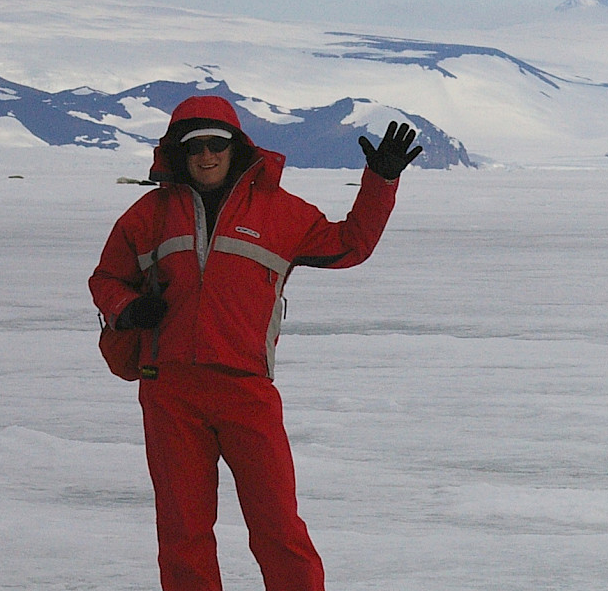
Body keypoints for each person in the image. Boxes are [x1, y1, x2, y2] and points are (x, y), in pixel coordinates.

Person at [89, 95, 422, 591]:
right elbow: (105, 280)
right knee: (183, 531)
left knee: (277, 526)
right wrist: (127, 308)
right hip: (170, 391)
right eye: (194, 146)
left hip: (247, 392)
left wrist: (381, 181)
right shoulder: (146, 216)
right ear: (178, 153)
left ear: (235, 146)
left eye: (216, 144)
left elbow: (350, 244)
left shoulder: (280, 212)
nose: (206, 156)